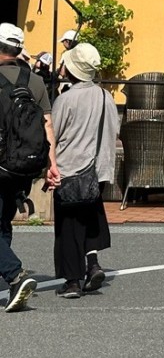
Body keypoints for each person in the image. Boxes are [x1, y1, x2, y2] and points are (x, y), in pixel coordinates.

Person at [48, 42, 118, 299]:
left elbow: (52, 135)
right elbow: (113, 131)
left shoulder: (66, 99)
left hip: (70, 169)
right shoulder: (105, 97)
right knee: (89, 218)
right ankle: (93, 264)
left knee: (68, 226)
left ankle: (72, 281)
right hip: (97, 171)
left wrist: (49, 166)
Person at [0, 22, 58, 311]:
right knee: (2, 222)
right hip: (23, 167)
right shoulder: (34, 81)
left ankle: (14, 275)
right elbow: (48, 125)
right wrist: (52, 165)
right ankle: (7, 277)